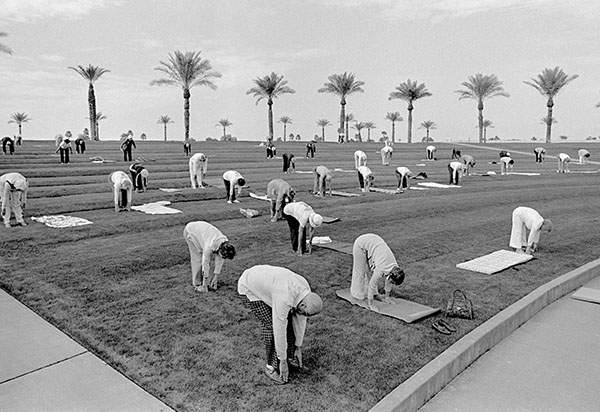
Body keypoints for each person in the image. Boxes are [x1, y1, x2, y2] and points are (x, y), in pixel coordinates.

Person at [238, 265, 323, 384]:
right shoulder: (284, 297)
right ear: (303, 305)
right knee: (271, 326)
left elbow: (300, 320)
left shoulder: (305, 290)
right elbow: (279, 327)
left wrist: (298, 347)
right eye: (305, 313)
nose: (304, 315)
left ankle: (289, 358)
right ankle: (270, 367)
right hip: (249, 288)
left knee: (289, 320)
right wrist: (282, 360)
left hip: (270, 285)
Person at [351, 234, 406, 311]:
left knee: (370, 272)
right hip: (361, 244)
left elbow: (389, 281)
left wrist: (387, 297)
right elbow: (372, 284)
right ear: (390, 275)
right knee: (360, 272)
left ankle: (374, 294)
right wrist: (371, 305)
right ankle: (357, 298)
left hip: (373, 243)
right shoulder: (381, 269)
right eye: (392, 281)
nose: (391, 282)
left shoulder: (395, 267)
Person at [183, 221, 236, 292]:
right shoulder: (209, 246)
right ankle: (198, 285)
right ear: (220, 250)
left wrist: (216, 277)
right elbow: (205, 263)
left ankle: (208, 282)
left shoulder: (224, 243)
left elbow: (220, 260)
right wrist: (205, 285)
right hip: (191, 231)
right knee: (198, 258)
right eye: (223, 256)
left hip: (203, 233)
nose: (222, 258)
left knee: (204, 256)